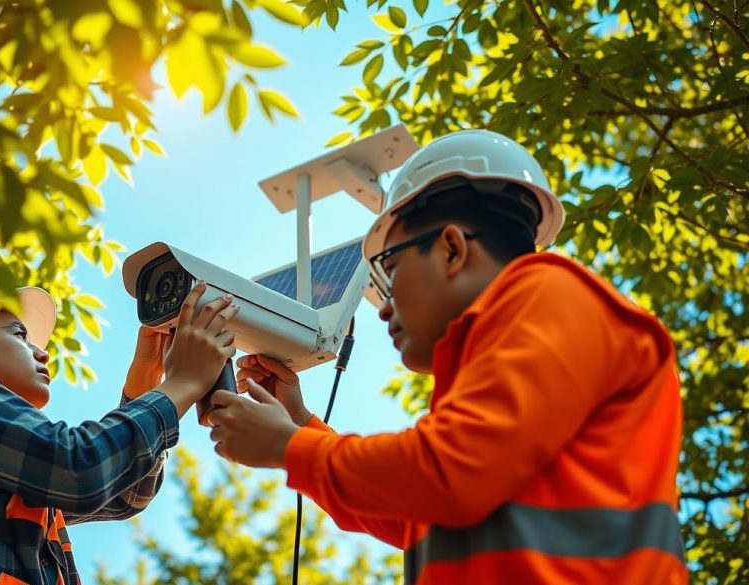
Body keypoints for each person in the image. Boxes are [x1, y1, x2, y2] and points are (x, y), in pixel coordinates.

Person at [206, 129, 686, 583]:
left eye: (389, 271)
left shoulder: (552, 292)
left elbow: (451, 474)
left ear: (452, 249)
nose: (383, 306)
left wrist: (288, 448)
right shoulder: (500, 377)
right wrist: (299, 426)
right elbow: (413, 508)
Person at [0, 281, 238, 584]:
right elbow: (78, 469)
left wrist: (146, 380)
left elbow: (127, 495)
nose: (42, 353)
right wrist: (181, 384)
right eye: (20, 335)